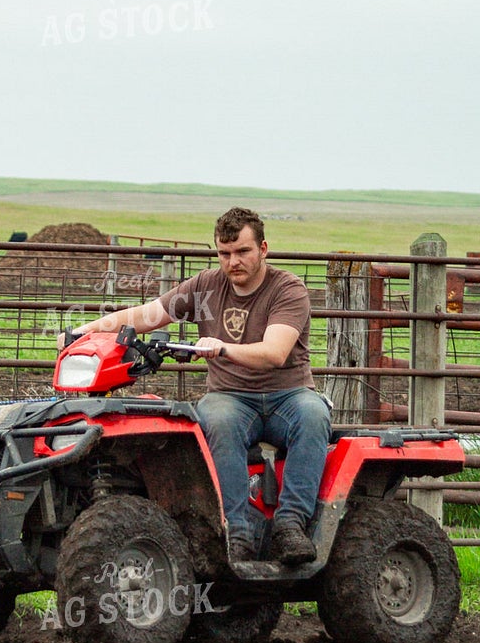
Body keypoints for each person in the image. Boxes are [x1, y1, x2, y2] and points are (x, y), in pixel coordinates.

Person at [65, 207, 330, 564]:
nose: (233, 262)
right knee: (215, 418)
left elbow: (274, 353)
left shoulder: (287, 289)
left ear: (263, 249)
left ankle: (290, 526)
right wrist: (92, 329)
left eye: (242, 252)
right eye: (224, 253)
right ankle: (235, 533)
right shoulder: (205, 286)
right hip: (232, 398)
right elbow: (148, 315)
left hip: (288, 396)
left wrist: (222, 348)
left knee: (313, 414)